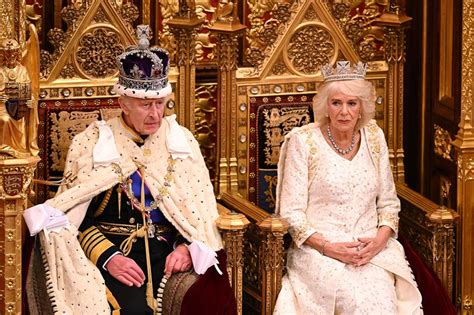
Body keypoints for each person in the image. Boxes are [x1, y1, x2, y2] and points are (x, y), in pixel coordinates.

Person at [24, 25, 236, 314]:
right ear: (123, 103)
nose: (155, 114)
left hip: (171, 251)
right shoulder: (92, 143)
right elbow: (71, 218)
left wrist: (187, 247)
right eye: (145, 105)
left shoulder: (181, 141)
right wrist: (108, 257)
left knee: (206, 298)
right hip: (111, 252)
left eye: (160, 104)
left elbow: (198, 213)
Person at [273, 61, 423, 314]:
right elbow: (291, 213)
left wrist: (379, 241)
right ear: (325, 106)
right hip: (319, 253)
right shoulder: (303, 141)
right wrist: (328, 247)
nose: (344, 112)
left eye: (351, 103)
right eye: (336, 103)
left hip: (371, 251)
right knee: (353, 302)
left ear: (362, 107)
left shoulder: (375, 137)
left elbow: (388, 203)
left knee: (381, 304)